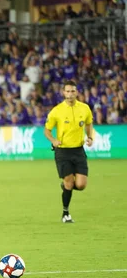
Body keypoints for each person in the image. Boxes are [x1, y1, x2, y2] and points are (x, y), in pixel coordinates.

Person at [44, 80, 94, 223]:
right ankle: (66, 213)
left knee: (81, 185)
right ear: (63, 93)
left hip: (78, 151)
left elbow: (89, 123)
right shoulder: (57, 111)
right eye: (67, 91)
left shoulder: (84, 108)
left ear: (76, 92)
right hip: (63, 152)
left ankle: (66, 186)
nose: (70, 94)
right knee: (69, 182)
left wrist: (89, 137)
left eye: (73, 91)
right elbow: (46, 130)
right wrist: (53, 140)